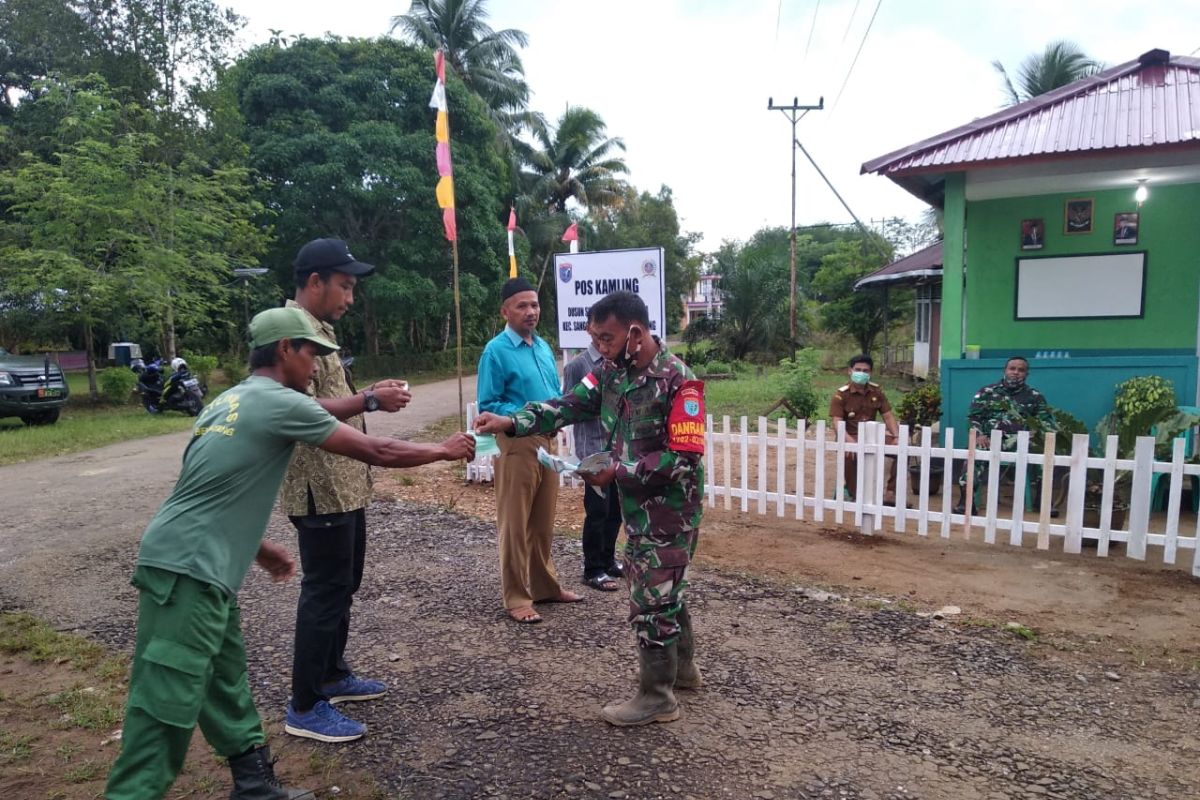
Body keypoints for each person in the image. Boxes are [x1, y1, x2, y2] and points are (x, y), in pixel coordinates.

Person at [104, 307, 474, 800]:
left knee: (225, 678)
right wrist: (442, 451)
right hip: (186, 570)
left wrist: (257, 548)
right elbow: (375, 450)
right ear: (285, 351)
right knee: (164, 703)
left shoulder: (226, 402)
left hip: (197, 563)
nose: (316, 366)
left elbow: (204, 489)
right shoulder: (282, 400)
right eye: (312, 354)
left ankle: (255, 786)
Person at [474, 290, 705, 727]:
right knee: (663, 582)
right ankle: (685, 672)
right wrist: (512, 422)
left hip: (671, 508)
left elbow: (683, 458)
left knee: (652, 592)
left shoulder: (680, 382)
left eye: (606, 338)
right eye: (596, 338)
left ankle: (658, 696)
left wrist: (617, 471)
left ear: (635, 333)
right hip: (636, 504)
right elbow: (567, 405)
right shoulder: (609, 371)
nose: (599, 347)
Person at [279, 238, 415, 743]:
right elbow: (301, 411)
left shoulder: (319, 330)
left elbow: (331, 399)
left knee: (343, 586)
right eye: (345, 286)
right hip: (319, 487)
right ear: (315, 281)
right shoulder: (289, 332)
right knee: (323, 590)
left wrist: (366, 395)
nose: (350, 297)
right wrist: (370, 401)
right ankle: (305, 704)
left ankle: (332, 675)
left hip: (344, 483)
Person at [476, 276, 582, 624]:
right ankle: (517, 597)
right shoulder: (496, 351)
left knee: (542, 521)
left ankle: (545, 587)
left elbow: (554, 391)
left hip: (546, 442)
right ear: (505, 311)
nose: (530, 311)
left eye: (534, 304)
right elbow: (489, 403)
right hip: (517, 443)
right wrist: (520, 417)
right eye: (522, 305)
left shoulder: (542, 347)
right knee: (515, 522)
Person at [955, 356, 1057, 513]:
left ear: (1027, 374)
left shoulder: (1035, 396)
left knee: (1044, 452)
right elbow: (973, 417)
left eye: (1021, 370)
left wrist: (1036, 432)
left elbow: (1046, 422)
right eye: (1012, 368)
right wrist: (979, 435)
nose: (1016, 372)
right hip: (989, 440)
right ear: (1005, 370)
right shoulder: (987, 392)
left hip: (1022, 442)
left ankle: (1043, 501)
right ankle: (966, 502)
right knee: (974, 452)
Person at [563, 341, 624, 592]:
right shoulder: (578, 366)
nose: (605, 340)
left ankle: (608, 560)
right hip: (592, 449)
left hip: (617, 449)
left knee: (615, 511)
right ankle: (592, 569)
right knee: (597, 510)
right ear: (590, 330)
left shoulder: (618, 362)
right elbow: (568, 404)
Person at [829, 355, 900, 504]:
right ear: (850, 371)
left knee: (901, 451)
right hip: (849, 435)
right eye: (858, 370)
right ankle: (855, 494)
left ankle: (890, 492)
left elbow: (888, 416)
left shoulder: (876, 392)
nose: (861, 373)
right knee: (849, 455)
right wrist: (849, 441)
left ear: (870, 373)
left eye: (865, 370)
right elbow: (837, 422)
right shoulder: (841, 395)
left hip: (872, 436)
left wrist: (896, 437)